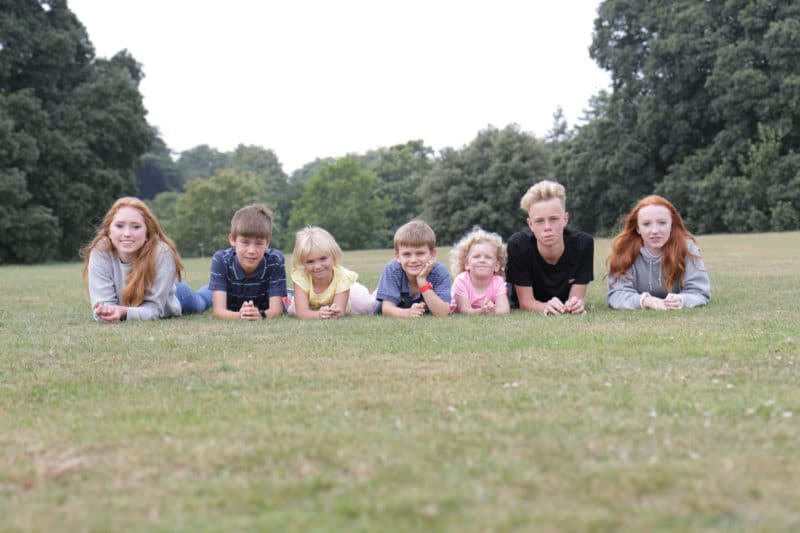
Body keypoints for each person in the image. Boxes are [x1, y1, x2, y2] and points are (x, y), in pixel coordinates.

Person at [82, 197, 211, 322]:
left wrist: (123, 312)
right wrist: (107, 312)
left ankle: (218, 288)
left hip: (175, 295)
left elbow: (155, 309)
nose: (127, 233)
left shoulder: (162, 252)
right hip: (139, 303)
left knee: (202, 302)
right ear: (109, 231)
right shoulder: (100, 251)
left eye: (136, 227)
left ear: (147, 233)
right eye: (119, 226)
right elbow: (103, 306)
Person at [606, 195, 710, 310]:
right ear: (637, 228)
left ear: (671, 225)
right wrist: (645, 301)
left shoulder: (687, 248)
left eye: (662, 223)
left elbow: (699, 291)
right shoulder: (624, 250)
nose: (655, 231)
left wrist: (681, 300)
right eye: (646, 224)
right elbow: (616, 295)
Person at [506, 180, 594, 315]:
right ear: (530, 224)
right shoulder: (519, 245)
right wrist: (546, 307)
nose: (547, 227)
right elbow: (525, 303)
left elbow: (577, 298)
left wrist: (575, 304)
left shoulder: (584, 244)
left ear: (565, 219)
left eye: (553, 219)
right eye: (539, 221)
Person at [207, 204, 287, 320]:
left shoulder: (275, 260)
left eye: (259, 243)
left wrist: (260, 315)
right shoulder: (221, 260)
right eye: (245, 242)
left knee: (288, 303)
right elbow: (218, 311)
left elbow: (276, 311)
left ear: (267, 243)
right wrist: (240, 315)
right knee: (200, 301)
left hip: (263, 303)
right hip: (220, 291)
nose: (251, 251)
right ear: (233, 240)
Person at [288, 226, 377, 319]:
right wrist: (318, 314)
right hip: (312, 302)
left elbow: (339, 311)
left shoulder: (343, 277)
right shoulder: (301, 276)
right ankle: (289, 296)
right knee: (293, 310)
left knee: (367, 305)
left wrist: (334, 311)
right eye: (310, 261)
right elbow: (302, 312)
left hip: (348, 293)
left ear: (333, 256)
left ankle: (375, 293)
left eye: (323, 259)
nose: (317, 266)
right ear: (302, 262)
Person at [375, 219, 451, 317]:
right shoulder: (393, 269)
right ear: (398, 256)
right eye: (406, 254)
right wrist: (408, 313)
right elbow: (386, 309)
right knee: (368, 303)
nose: (413, 260)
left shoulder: (440, 272)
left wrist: (422, 280)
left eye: (420, 253)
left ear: (432, 254)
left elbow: (442, 313)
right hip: (385, 299)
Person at [448, 227, 510, 315]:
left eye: (488, 257)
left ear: (496, 266)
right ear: (467, 264)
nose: (482, 260)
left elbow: (504, 309)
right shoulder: (461, 280)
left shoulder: (498, 281)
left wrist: (492, 310)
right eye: (476, 256)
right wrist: (481, 311)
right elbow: (464, 309)